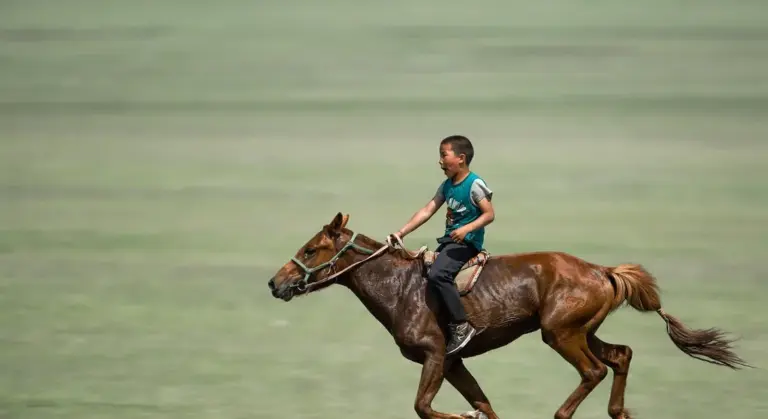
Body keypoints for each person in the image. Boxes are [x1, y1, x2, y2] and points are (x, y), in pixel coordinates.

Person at [387, 135, 495, 356]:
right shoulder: (447, 186)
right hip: (449, 243)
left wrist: (466, 229)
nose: (440, 161)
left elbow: (489, 214)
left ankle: (461, 325)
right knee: (424, 274)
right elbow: (427, 210)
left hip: (467, 244)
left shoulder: (474, 184)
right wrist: (401, 233)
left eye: (444, 155)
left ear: (461, 158)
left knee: (438, 275)